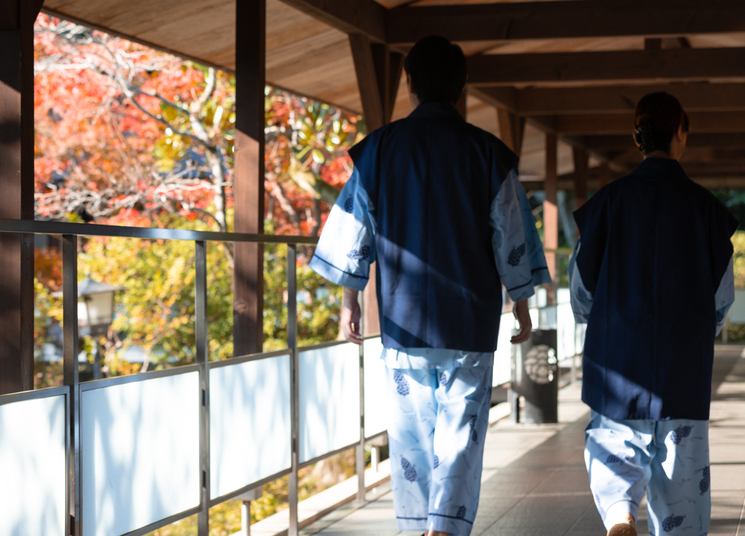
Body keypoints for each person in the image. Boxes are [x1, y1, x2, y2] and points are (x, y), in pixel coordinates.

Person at [309, 35, 550, 536]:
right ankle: (445, 528)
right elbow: (512, 233)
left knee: (412, 439)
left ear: (410, 83)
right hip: (470, 319)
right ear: (462, 86)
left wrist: (350, 299)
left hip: (403, 319)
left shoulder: (378, 152)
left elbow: (354, 228)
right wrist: (521, 302)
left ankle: (418, 524)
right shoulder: (488, 154)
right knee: (462, 433)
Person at [570, 92, 737, 536]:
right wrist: (698, 330)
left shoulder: (607, 203)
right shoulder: (708, 212)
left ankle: (622, 516)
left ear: (637, 136)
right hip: (683, 372)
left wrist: (607, 322)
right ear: (681, 132)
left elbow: (582, 291)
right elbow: (722, 299)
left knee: (615, 458)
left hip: (616, 363)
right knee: (683, 491)